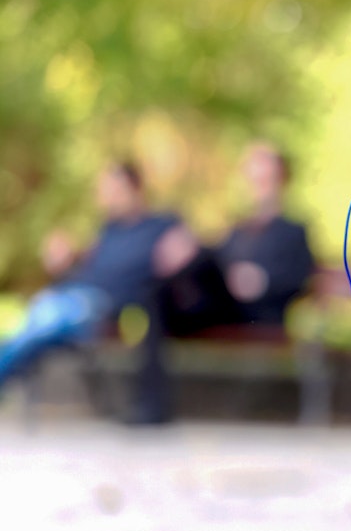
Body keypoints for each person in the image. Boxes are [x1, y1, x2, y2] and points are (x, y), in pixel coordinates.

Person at [0, 160, 193, 422]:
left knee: (33, 332)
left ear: (134, 188)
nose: (107, 197)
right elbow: (86, 266)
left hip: (102, 307)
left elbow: (189, 256)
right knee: (32, 333)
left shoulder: (162, 226)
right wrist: (64, 259)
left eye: (113, 189)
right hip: (73, 300)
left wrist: (183, 251)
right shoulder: (108, 230)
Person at [164, 141, 316, 333]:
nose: (259, 186)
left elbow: (301, 280)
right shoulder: (236, 231)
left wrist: (262, 282)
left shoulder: (292, 232)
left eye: (266, 179)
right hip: (221, 310)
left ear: (282, 180)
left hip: (261, 316)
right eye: (254, 179)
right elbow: (215, 266)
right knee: (178, 272)